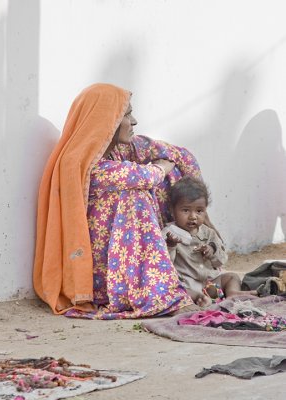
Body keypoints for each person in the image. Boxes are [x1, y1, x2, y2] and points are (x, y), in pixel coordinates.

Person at [33, 83, 205, 319]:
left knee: (165, 177)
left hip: (120, 249)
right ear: (107, 120)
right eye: (127, 114)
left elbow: (180, 155)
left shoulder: (116, 151)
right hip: (100, 261)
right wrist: (163, 166)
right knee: (135, 195)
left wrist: (199, 208)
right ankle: (144, 289)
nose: (134, 121)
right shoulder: (82, 162)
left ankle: (174, 272)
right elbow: (146, 176)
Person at [162, 176, 257, 307]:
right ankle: (199, 298)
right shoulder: (169, 233)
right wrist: (171, 245)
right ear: (172, 210)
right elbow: (164, 265)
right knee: (175, 291)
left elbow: (222, 260)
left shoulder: (209, 233)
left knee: (232, 277)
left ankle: (232, 293)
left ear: (205, 210)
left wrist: (212, 251)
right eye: (185, 210)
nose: (193, 216)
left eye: (199, 211)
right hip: (188, 283)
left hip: (211, 281)